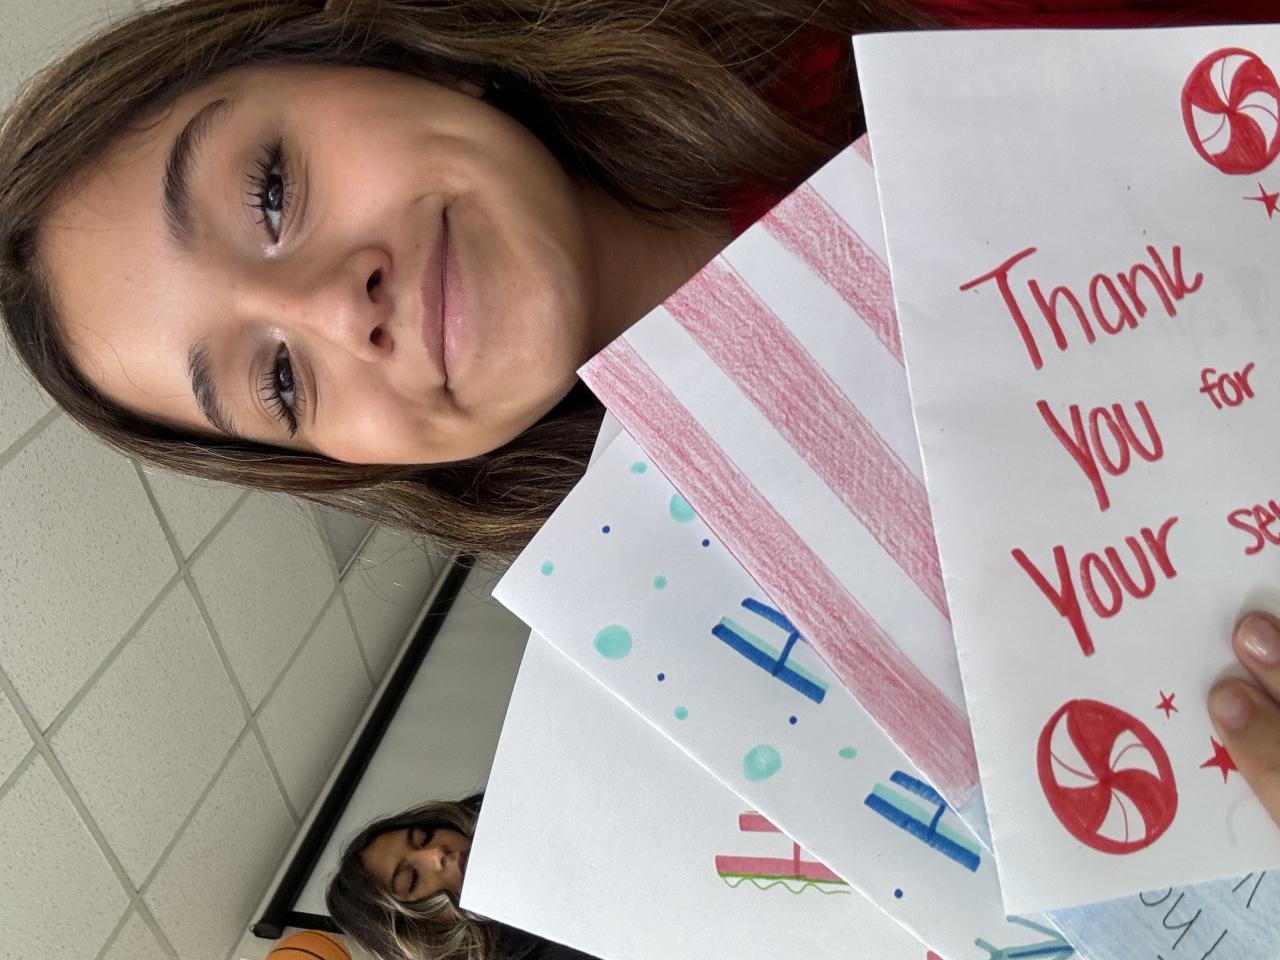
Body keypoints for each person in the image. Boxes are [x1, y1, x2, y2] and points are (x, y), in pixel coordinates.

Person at [0, 0, 1278, 855]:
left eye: (271, 191)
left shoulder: (906, 24)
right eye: (279, 384)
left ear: (387, 53)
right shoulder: (756, 687)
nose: (338, 307)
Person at [327, 793, 597, 960]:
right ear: (416, 931)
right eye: (412, 879)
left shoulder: (526, 802)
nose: (436, 854)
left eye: (424, 837)